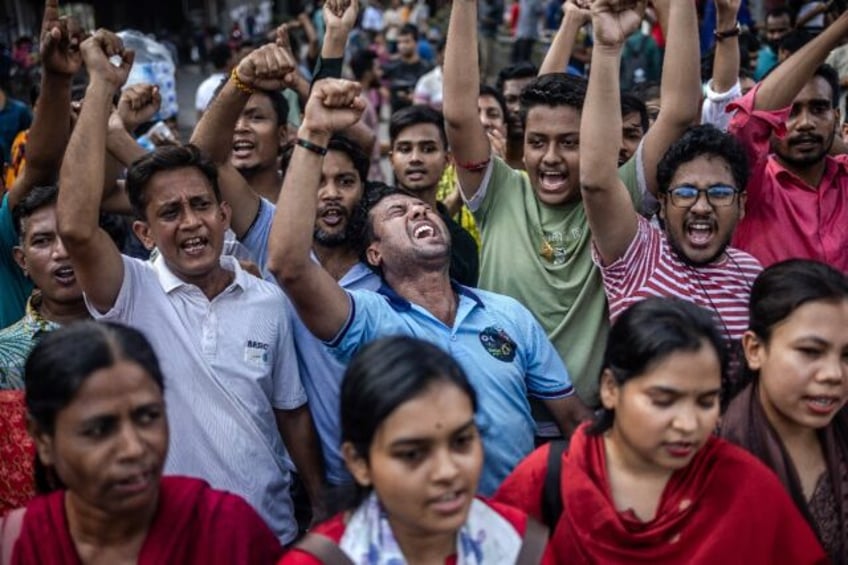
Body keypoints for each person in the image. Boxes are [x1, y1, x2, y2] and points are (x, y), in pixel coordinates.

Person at [56, 30, 323, 545]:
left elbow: (291, 413)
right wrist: (99, 86)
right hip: (167, 545)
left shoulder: (266, 299)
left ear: (225, 216)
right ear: (143, 232)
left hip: (269, 536)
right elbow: (74, 227)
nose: (191, 223)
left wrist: (321, 502)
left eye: (201, 206)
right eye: (169, 212)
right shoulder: (130, 291)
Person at [268, 77, 589, 495]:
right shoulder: (368, 319)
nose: (419, 212)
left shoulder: (506, 313)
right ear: (375, 253)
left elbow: (573, 421)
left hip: (515, 531)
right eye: (398, 212)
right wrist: (312, 133)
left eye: (423, 208)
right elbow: (289, 265)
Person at [443, 0, 702, 403]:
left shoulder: (618, 196)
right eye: (537, 143)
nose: (550, 158)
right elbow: (459, 115)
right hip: (502, 417)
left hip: (590, 427)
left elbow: (680, 112)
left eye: (570, 143)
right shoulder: (498, 190)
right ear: (521, 146)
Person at [494, 298, 829, 563]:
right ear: (611, 388)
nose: (688, 424)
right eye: (663, 400)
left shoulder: (744, 484)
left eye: (706, 401)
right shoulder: (547, 479)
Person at [0, 321, 283, 564]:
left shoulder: (228, 529)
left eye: (148, 417)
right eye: (99, 430)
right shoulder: (17, 545)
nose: (133, 448)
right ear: (42, 438)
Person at [579, 1, 761, 347]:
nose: (702, 207)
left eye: (720, 193)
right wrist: (606, 47)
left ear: (741, 205)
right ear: (661, 204)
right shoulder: (639, 254)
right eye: (686, 193)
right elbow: (596, 182)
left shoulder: (752, 275)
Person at [281, 336, 547, 564]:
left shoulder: (518, 544)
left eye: (461, 442)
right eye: (412, 454)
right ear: (359, 463)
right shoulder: (321, 560)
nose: (447, 471)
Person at [721, 260, 848, 562]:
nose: (834, 374)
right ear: (755, 350)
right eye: (810, 352)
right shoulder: (711, 459)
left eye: (847, 355)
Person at [728, 12, 848, 272]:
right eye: (790, 112)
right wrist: (841, 26)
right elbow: (748, 121)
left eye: (819, 109)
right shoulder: (749, 186)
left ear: (836, 118)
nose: (805, 123)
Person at [389, 105, 479, 286]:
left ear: (447, 160)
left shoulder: (462, 243)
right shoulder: (369, 228)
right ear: (392, 159)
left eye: (428, 149)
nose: (415, 158)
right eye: (405, 149)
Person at [383, 24, 432, 114]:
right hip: (397, 121)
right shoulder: (392, 68)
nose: (402, 46)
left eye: (406, 41)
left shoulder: (428, 70)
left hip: (420, 120)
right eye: (399, 42)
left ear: (416, 42)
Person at [194, 42, 234, 119]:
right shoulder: (234, 85)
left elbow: (199, 119)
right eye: (233, 56)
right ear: (228, 61)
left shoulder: (203, 87)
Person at [754, 6, 793, 80]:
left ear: (793, 28)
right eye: (772, 31)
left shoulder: (802, 56)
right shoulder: (756, 59)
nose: (776, 36)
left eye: (781, 30)